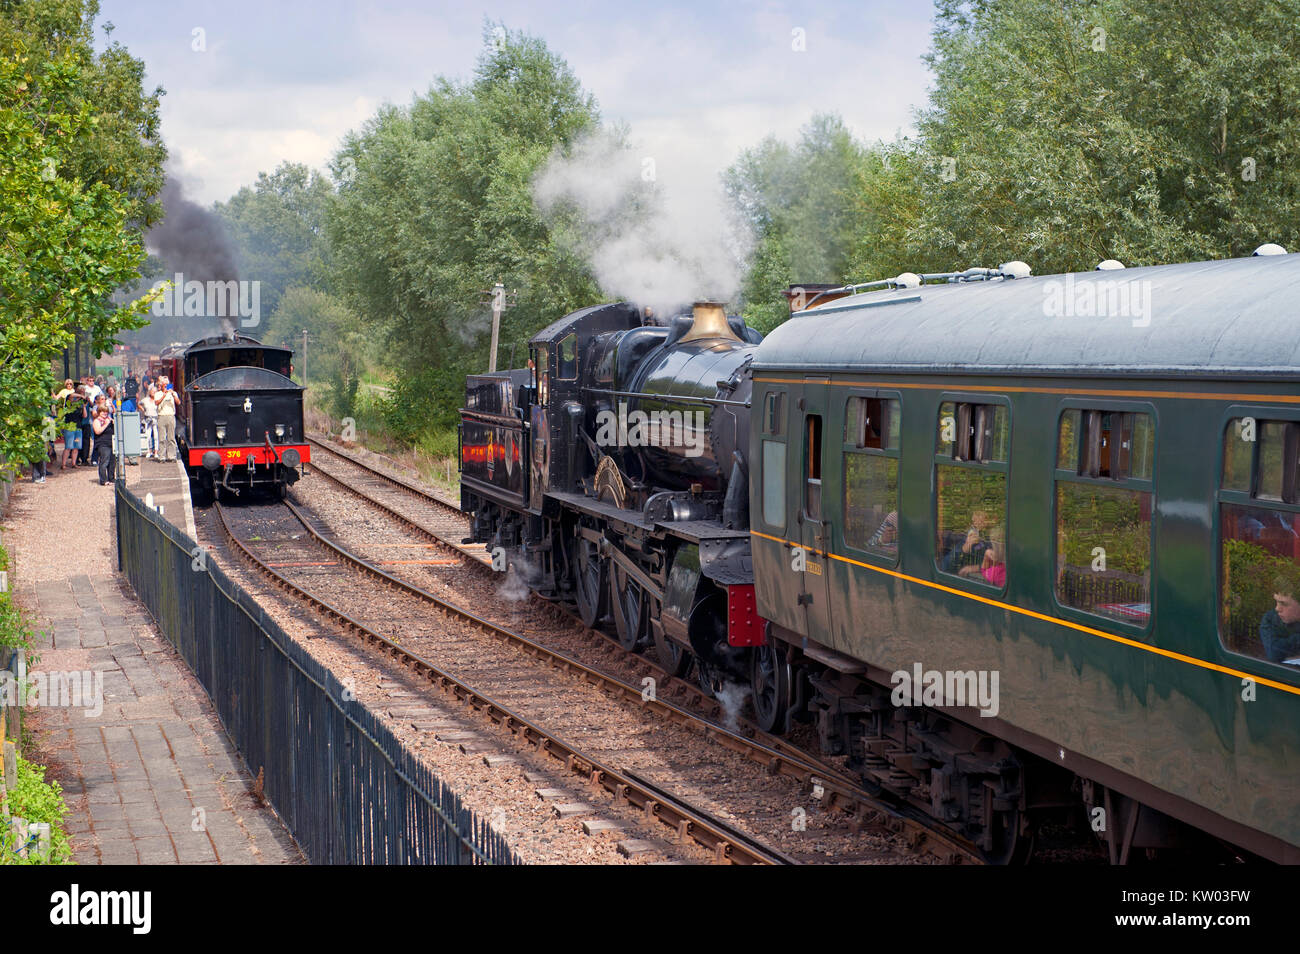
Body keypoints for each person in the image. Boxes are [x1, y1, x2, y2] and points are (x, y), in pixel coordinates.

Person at [1260, 577, 1300, 664]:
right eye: (1276, 602)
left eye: (1284, 604)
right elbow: (1274, 653)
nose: (1277, 608)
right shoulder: (1270, 619)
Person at [59, 384, 86, 469]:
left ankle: (73, 463)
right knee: (68, 446)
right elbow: (71, 395)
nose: (83, 393)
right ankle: (63, 464)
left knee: (76, 446)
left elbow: (84, 416)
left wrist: (84, 407)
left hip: (78, 427)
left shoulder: (80, 403)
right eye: (81, 391)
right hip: (69, 427)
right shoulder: (69, 401)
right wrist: (81, 396)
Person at [91, 406, 115, 485]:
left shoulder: (109, 420)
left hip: (111, 443)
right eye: (102, 411)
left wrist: (113, 423)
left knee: (112, 462)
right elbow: (98, 431)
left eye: (106, 411)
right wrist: (106, 424)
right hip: (102, 444)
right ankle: (103, 480)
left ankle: (111, 478)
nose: (105, 413)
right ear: (99, 412)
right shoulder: (97, 421)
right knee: (104, 461)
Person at [156, 386, 177, 462]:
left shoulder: (173, 393)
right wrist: (163, 396)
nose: (165, 387)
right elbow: (156, 403)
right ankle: (162, 457)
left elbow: (178, 402)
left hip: (171, 416)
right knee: (162, 438)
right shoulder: (158, 394)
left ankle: (172, 456)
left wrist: (173, 395)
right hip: (161, 416)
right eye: (164, 385)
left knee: (171, 438)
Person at [140, 387, 158, 459]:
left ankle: (156, 452)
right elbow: (139, 403)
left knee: (156, 436)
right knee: (148, 436)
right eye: (152, 391)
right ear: (150, 392)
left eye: (155, 391)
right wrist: (142, 410)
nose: (153, 393)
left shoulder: (157, 400)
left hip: (155, 419)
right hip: (148, 418)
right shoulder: (145, 400)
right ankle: (149, 451)